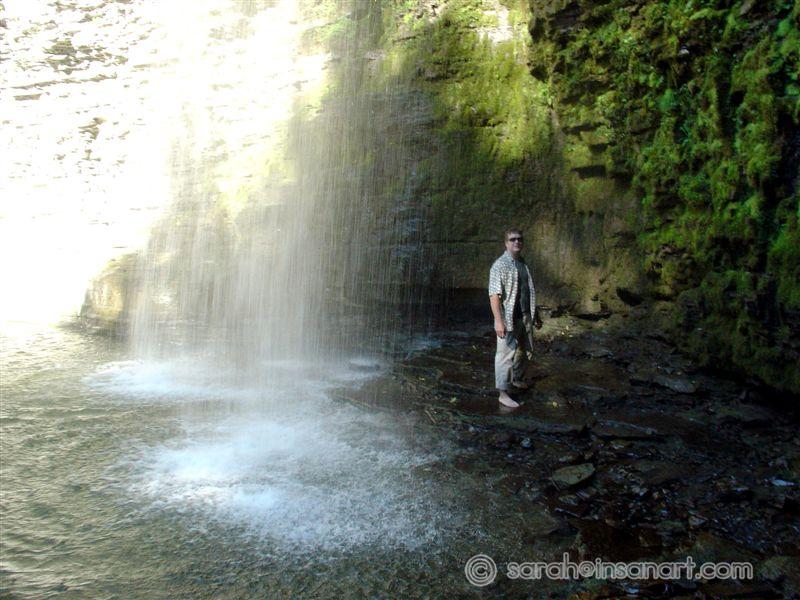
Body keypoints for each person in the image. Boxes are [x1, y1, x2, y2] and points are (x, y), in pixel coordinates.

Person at [488, 228, 542, 408]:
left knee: (527, 351)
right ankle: (503, 394)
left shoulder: (522, 263)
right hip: (508, 318)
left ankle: (516, 378)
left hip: (525, 316)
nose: (517, 242)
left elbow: (527, 291)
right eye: (512, 239)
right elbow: (494, 295)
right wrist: (498, 321)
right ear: (506, 243)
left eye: (519, 239)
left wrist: (535, 314)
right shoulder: (499, 265)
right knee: (505, 356)